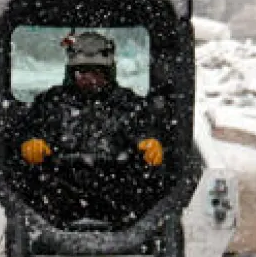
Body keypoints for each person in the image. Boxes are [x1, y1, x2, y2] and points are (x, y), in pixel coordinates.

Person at [19, 31, 163, 171]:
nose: (89, 78)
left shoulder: (127, 103)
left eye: (96, 72)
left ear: (109, 73)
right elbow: (27, 127)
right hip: (57, 184)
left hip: (119, 186)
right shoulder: (51, 101)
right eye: (82, 71)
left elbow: (146, 127)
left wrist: (150, 140)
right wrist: (31, 140)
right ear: (71, 72)